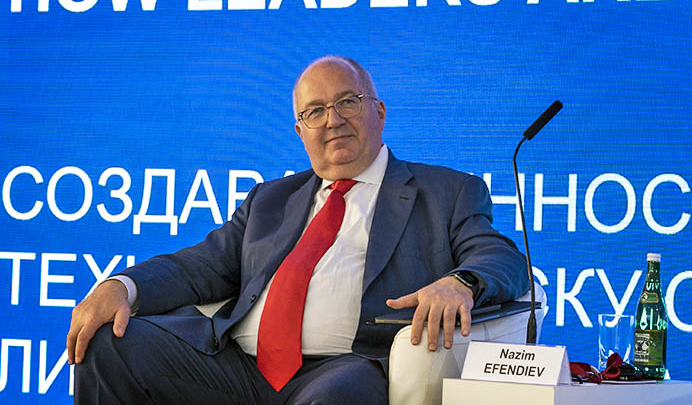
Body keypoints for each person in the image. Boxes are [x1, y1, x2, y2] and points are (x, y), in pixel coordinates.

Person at [66, 55, 529, 404]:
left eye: (348, 102)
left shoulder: (446, 191)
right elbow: (200, 265)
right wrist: (121, 286)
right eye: (315, 111)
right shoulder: (270, 199)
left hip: (346, 366)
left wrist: (460, 282)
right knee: (108, 343)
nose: (333, 120)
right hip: (236, 365)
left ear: (380, 112)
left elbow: (501, 256)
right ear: (300, 131)